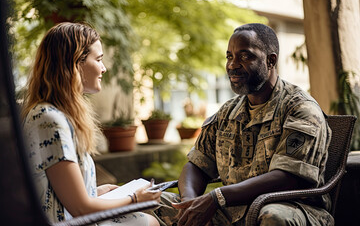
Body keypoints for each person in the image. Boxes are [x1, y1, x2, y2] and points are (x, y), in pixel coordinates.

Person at [154, 23, 334, 225]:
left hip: (293, 208)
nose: (232, 65)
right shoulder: (227, 112)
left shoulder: (300, 109)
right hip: (231, 211)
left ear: (270, 60)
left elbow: (289, 177)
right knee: (152, 203)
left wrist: (217, 197)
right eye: (229, 56)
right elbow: (197, 164)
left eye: (245, 56)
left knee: (273, 216)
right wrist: (188, 201)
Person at [22, 22, 161, 225]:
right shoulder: (48, 120)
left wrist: (96, 192)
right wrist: (135, 199)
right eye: (98, 59)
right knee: (148, 221)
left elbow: (63, 195)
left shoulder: (55, 115)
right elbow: (80, 208)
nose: (103, 68)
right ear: (76, 63)